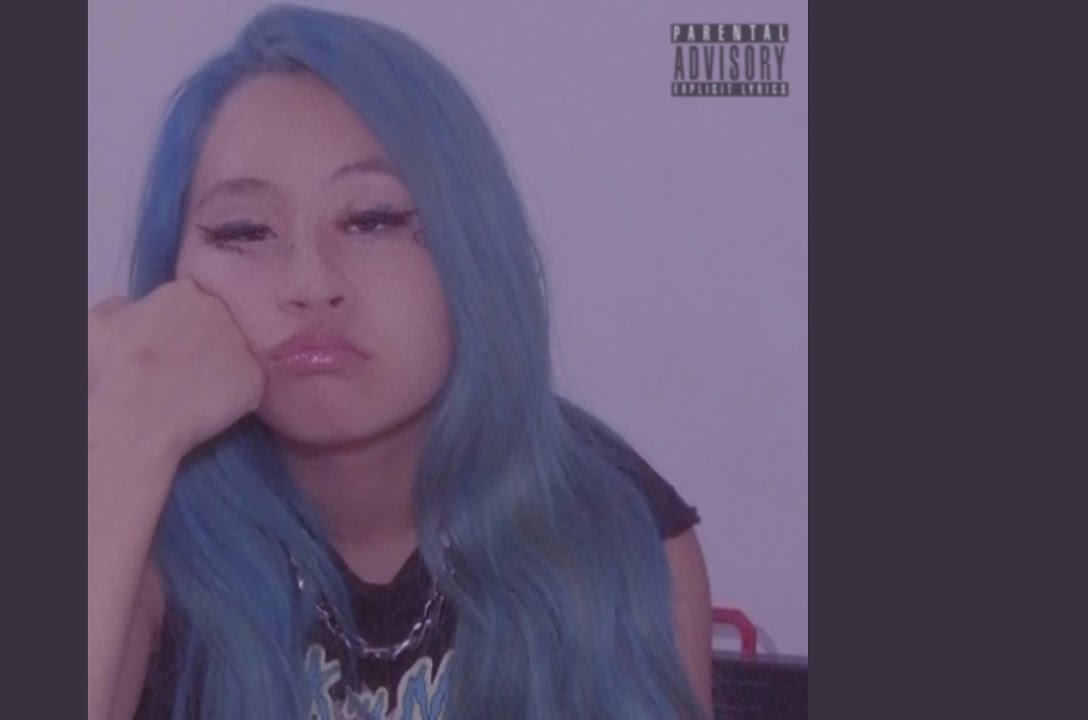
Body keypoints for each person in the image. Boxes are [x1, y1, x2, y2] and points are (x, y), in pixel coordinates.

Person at [88, 6, 712, 720]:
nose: (310, 283)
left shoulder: (612, 525)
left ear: (473, 252)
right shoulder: (143, 522)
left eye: (373, 220)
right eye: (245, 230)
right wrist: (129, 426)